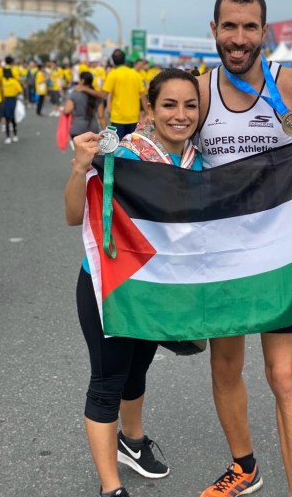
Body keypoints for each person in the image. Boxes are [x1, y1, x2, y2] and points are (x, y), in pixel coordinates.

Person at [196, 0, 292, 497]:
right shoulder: (199, 93)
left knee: (285, 375)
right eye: (229, 26)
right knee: (225, 365)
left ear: (264, 31)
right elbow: (165, 162)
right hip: (223, 253)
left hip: (280, 253)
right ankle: (244, 467)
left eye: (249, 27)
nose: (239, 38)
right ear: (214, 29)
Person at [65, 68, 203, 497]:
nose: (180, 115)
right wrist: (79, 167)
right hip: (109, 284)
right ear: (150, 107)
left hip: (156, 288)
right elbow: (73, 215)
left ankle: (132, 441)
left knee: (138, 367)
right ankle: (110, 488)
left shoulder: (200, 162)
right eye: (169, 104)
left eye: (190, 105)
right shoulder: (122, 155)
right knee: (108, 379)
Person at [100, 49, 148, 140]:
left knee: (117, 145)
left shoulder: (112, 74)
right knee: (131, 146)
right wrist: (147, 113)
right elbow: (143, 96)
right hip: (133, 118)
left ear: (113, 61)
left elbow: (103, 94)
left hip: (117, 118)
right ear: (125, 60)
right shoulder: (135, 74)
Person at [63, 71, 104, 139]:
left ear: (82, 81)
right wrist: (106, 131)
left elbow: (67, 110)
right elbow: (101, 116)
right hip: (93, 129)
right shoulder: (97, 96)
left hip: (77, 128)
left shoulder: (74, 94)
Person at [2, 67, 23, 144]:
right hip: (12, 99)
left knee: (6, 117)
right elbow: (20, 90)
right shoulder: (14, 81)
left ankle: (8, 137)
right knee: (12, 116)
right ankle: (15, 135)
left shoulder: (2, 81)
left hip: (4, 100)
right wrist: (15, 94)